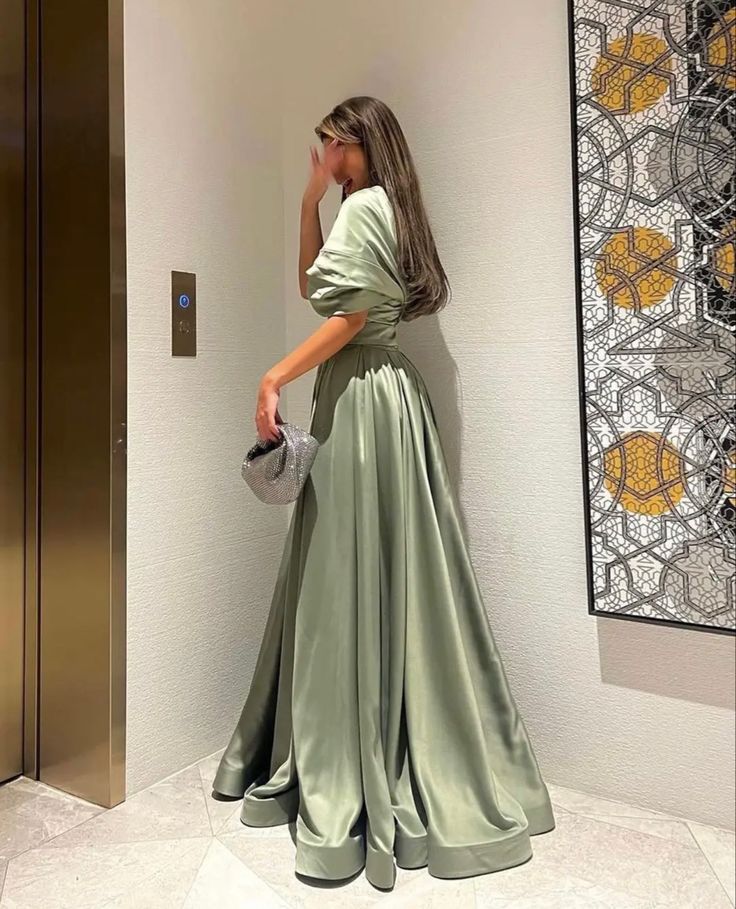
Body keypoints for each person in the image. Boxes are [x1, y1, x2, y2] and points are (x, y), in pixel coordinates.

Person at [211, 95, 555, 891]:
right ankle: (400, 735)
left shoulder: (367, 206)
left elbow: (351, 314)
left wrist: (273, 375)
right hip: (387, 398)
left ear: (361, 144)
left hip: (361, 395)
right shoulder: (381, 208)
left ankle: (344, 756)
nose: (327, 157)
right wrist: (307, 201)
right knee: (388, 571)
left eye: (334, 144)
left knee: (338, 577)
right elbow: (318, 291)